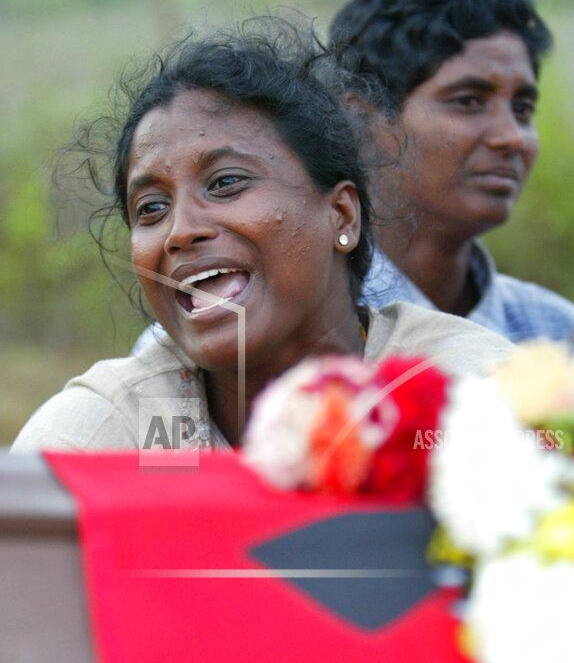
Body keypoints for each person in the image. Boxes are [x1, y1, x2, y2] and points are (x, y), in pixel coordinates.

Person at [12, 30, 511, 452]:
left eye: (226, 182)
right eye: (151, 209)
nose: (181, 230)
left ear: (342, 215)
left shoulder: (465, 395)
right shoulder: (124, 429)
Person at [329, 0, 574, 346]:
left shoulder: (566, 344)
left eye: (523, 108)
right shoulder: (307, 335)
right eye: (468, 101)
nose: (512, 137)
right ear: (360, 116)